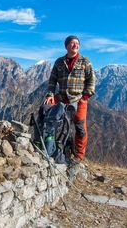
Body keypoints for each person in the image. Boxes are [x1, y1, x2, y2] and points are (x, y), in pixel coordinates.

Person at [44, 35, 95, 164]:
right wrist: (50, 94)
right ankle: (50, 147)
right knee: (51, 119)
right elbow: (52, 80)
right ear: (66, 46)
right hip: (61, 98)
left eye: (77, 43)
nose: (75, 45)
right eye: (72, 43)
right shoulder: (59, 62)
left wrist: (85, 97)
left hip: (79, 99)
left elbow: (91, 80)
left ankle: (79, 155)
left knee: (80, 127)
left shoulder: (85, 61)